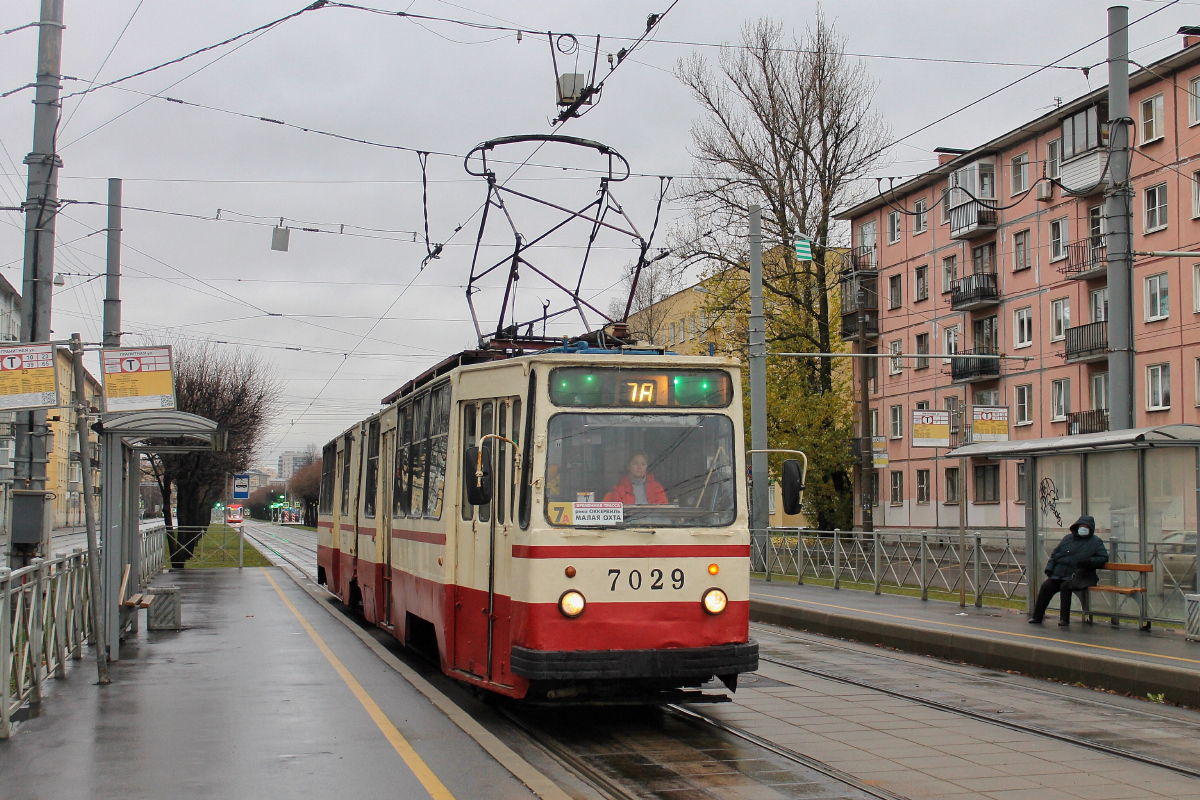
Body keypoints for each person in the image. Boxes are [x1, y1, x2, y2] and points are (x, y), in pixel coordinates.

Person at [1030, 514, 1109, 627]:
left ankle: (1064, 619)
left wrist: (1089, 562)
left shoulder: (1096, 542)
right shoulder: (1068, 538)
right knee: (1046, 586)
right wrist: (1050, 568)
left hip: (1081, 576)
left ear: (1091, 529)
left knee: (1065, 586)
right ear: (1077, 526)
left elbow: (1103, 558)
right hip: (1059, 574)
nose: (1083, 528)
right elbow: (1055, 554)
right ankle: (1037, 616)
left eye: (1086, 527)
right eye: (1081, 526)